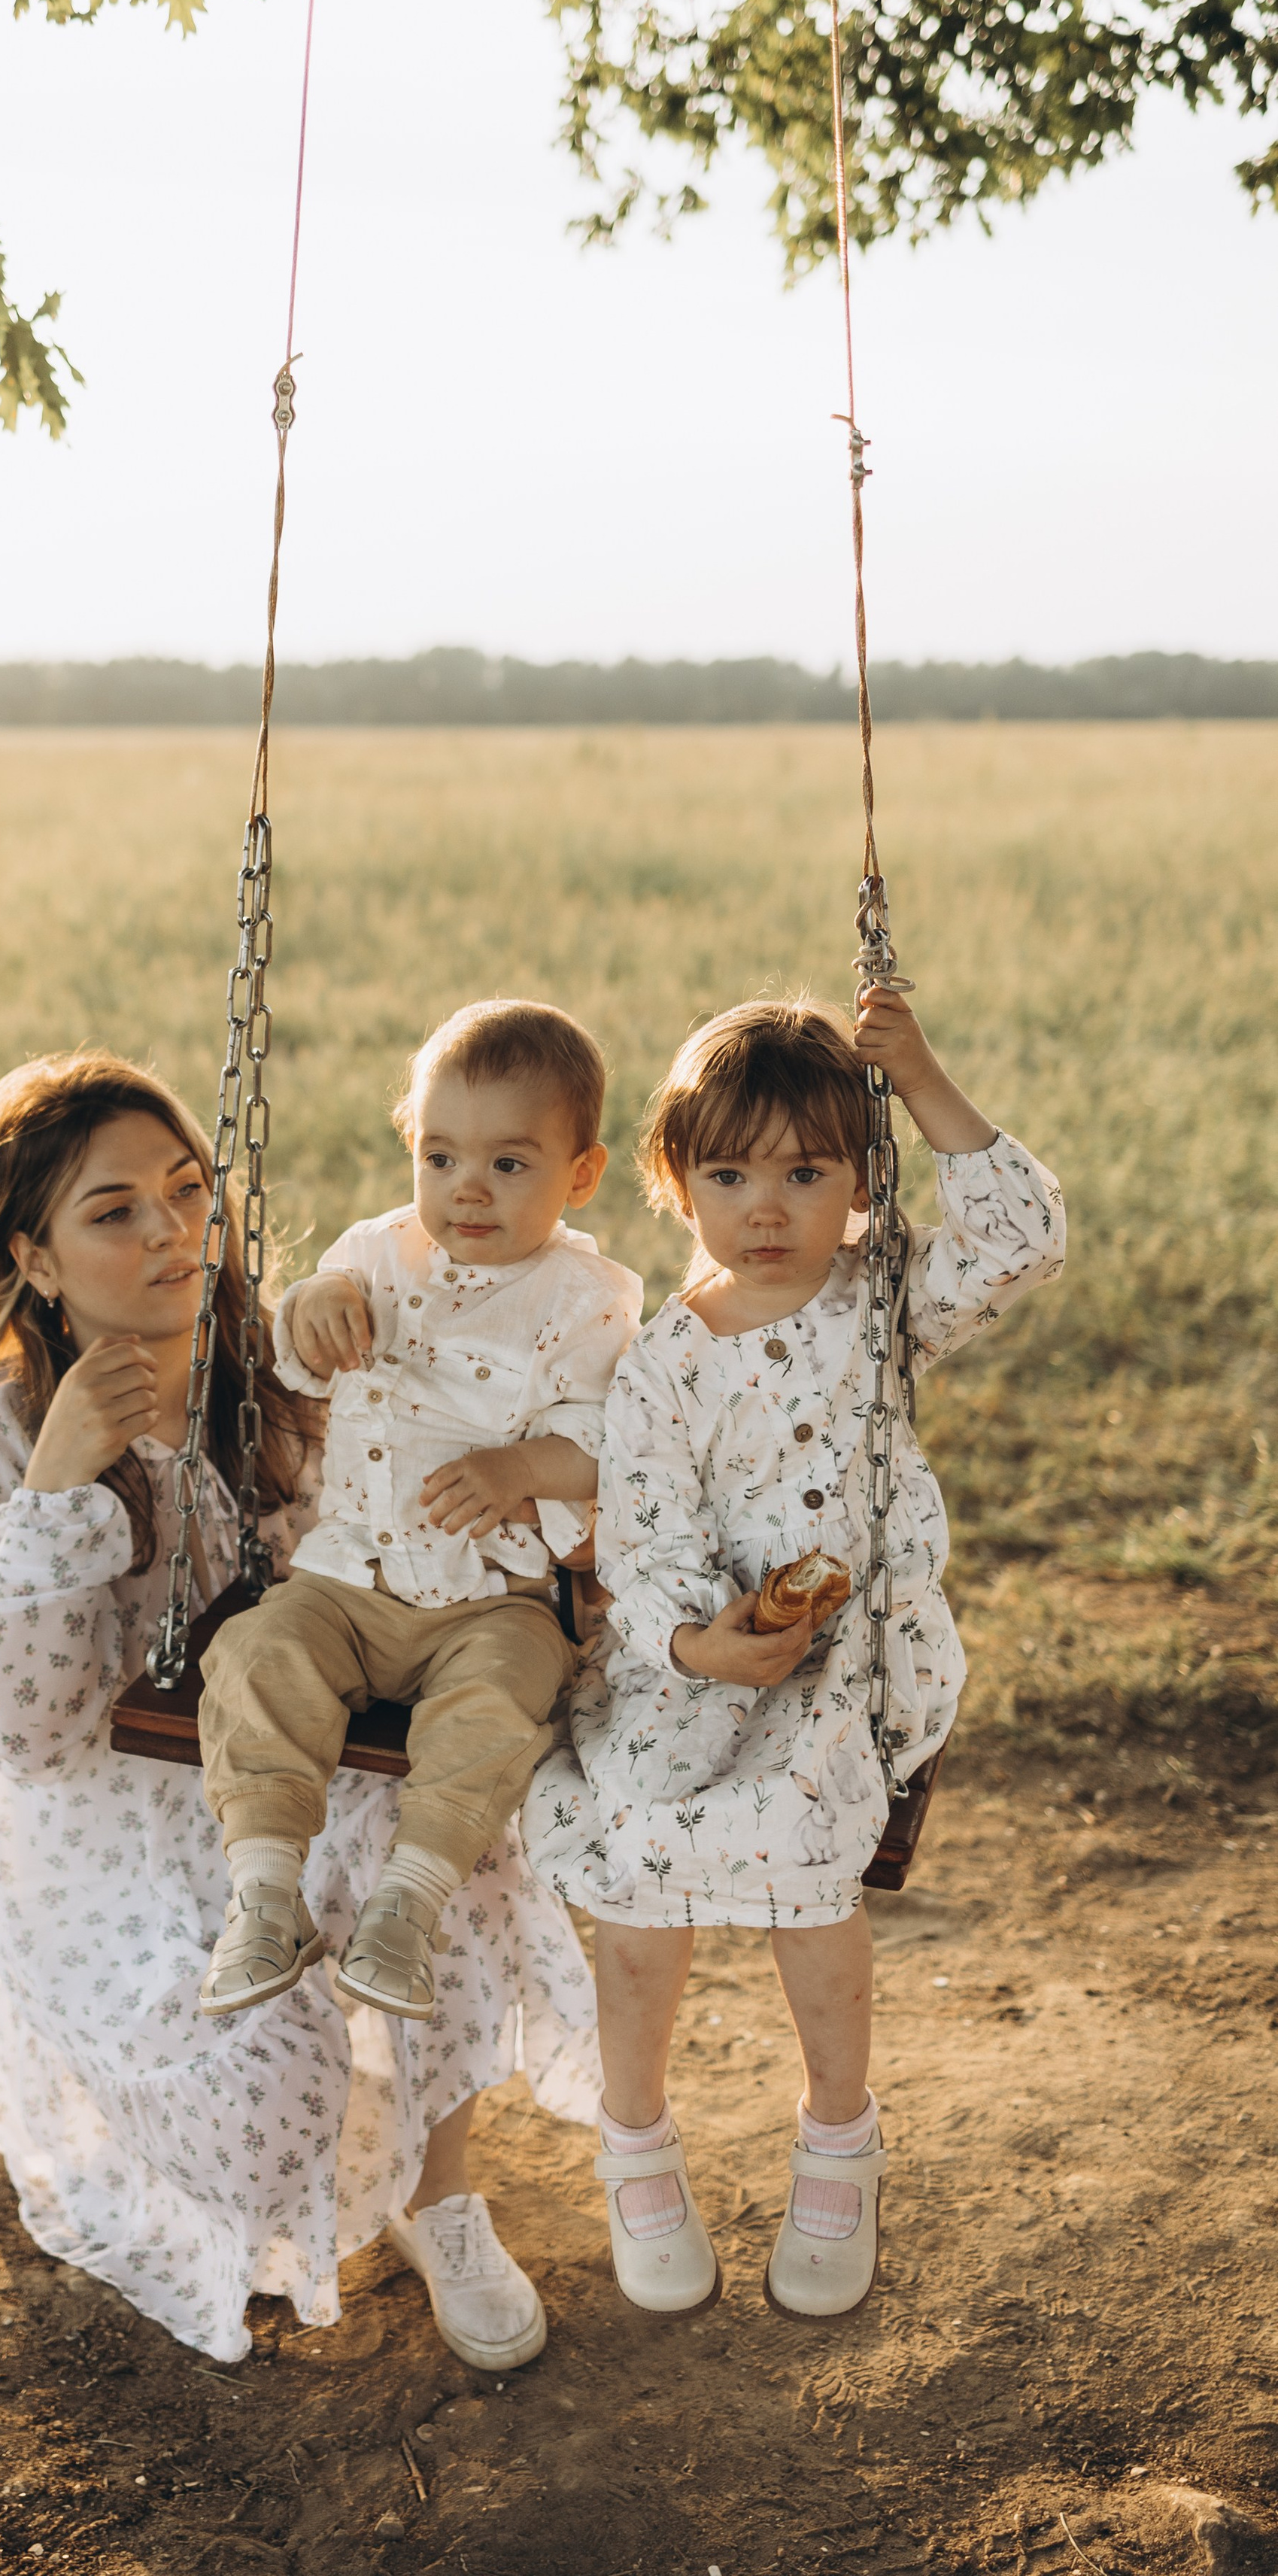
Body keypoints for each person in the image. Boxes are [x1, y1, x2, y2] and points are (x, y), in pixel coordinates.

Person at [0, 1051, 600, 2369]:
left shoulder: (263, 1379)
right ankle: (251, 2134)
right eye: (113, 1213)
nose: (169, 1234)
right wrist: (61, 1483)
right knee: (261, 2085)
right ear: (35, 1259)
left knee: (450, 1840)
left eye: (186, 1189)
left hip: (269, 1745)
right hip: (100, 1826)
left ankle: (439, 2198)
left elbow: (372, 1584)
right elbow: (34, 1739)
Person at [524, 989, 1064, 2320]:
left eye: (809, 1173)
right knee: (642, 1857)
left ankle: (839, 2138)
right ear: (676, 1181)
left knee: (806, 1865)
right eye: (731, 1173)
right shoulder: (666, 1366)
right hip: (704, 1651)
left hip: (854, 1654)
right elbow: (645, 1543)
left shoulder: (881, 1293)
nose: (769, 1206)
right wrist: (697, 1647)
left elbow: (1024, 1240)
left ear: (861, 1180)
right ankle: (636, 2142)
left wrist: (921, 1073)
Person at [197, 999, 645, 2040]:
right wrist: (307, 1305)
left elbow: (606, 1446)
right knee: (258, 1655)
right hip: (347, 1579)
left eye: (508, 1164)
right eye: (439, 1157)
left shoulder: (587, 1298)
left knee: (499, 1707)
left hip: (496, 1599)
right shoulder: (375, 1251)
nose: (466, 1189)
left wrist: (521, 1466)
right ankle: (266, 1894)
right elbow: (300, 1353)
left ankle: (409, 1904)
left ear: (580, 1174)